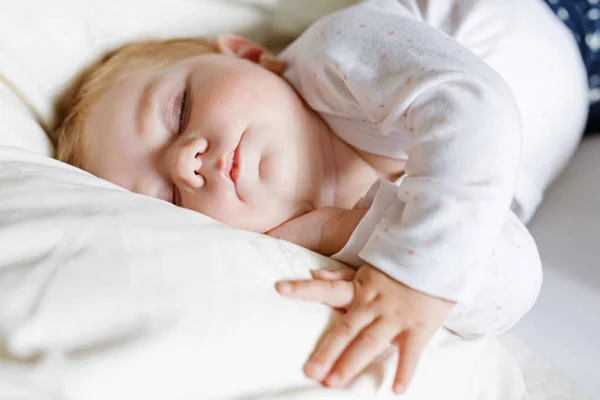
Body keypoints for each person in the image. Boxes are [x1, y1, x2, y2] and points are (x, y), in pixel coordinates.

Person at [51, 0, 589, 394]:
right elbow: (516, 280)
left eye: (178, 110)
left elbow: (473, 106)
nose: (186, 160)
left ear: (250, 56)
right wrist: (351, 235)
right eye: (168, 196)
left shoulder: (333, 59)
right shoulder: (346, 242)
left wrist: (416, 273)